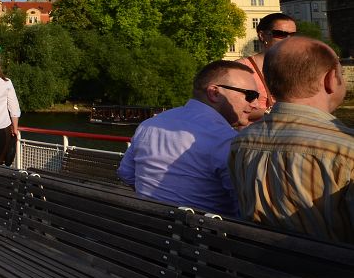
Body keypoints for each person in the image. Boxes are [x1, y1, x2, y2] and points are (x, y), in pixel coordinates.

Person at [230, 37, 354, 243]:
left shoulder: (240, 142)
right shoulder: (346, 149)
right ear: (330, 79)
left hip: (260, 260)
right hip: (329, 262)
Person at [117, 61, 261, 216]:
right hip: (205, 230)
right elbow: (246, 206)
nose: (256, 105)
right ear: (214, 93)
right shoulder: (227, 140)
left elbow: (126, 174)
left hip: (146, 226)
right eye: (250, 96)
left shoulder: (149, 125)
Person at [237, 12, 297, 121]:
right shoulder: (241, 68)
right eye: (280, 34)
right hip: (255, 130)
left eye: (292, 35)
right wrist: (275, 112)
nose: (288, 39)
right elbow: (234, 110)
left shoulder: (298, 68)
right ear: (262, 35)